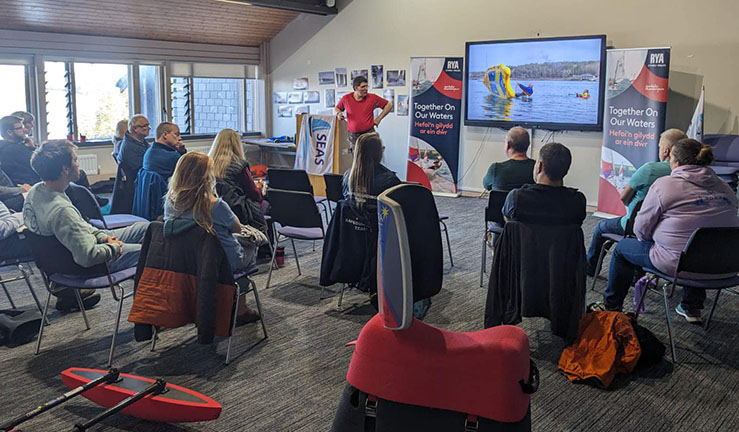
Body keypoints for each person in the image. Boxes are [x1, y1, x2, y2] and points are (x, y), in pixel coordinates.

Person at [598, 139, 739, 323]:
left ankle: (612, 307)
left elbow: (641, 230)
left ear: (677, 163)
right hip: (727, 266)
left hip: (680, 264)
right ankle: (691, 308)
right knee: (700, 245)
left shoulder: (665, 185)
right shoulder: (725, 187)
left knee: (623, 248)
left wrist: (657, 238)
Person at [23, 140, 149, 311]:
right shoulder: (61, 210)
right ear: (64, 169)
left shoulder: (37, 191)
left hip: (68, 254)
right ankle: (153, 311)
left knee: (145, 228)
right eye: (75, 160)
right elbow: (87, 256)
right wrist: (113, 247)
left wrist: (102, 236)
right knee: (154, 251)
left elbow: (81, 226)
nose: (78, 164)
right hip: (90, 264)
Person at [164, 152, 260, 323]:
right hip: (221, 263)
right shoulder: (215, 205)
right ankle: (241, 309)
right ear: (205, 177)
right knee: (250, 245)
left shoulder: (170, 202)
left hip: (187, 262)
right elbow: (236, 227)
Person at [586, 129, 687, 275]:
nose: (659, 149)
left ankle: (590, 269)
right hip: (666, 228)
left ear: (666, 151)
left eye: (659, 146)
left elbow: (624, 197)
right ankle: (637, 275)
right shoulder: (685, 174)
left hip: (636, 224)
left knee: (601, 228)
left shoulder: (650, 169)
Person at [502, 142, 586, 225]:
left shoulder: (517, 198)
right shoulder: (578, 201)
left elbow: (509, 224)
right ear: (566, 170)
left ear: (539, 166)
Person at [208, 129, 266, 229]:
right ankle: (267, 241)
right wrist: (260, 188)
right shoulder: (239, 164)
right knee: (266, 204)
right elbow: (253, 193)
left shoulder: (208, 163)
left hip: (213, 209)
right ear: (236, 144)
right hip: (238, 210)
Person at [132, 122, 185, 220]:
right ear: (165, 135)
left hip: (148, 207)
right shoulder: (172, 157)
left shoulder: (149, 152)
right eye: (176, 134)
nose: (180, 138)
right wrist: (182, 153)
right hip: (165, 205)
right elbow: (188, 173)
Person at [342, 132, 401, 208]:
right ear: (378, 152)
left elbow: (346, 202)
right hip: (376, 219)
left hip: (349, 219)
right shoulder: (390, 180)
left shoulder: (347, 176)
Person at [335, 76, 393, 150]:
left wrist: (379, 119)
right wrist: (339, 113)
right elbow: (337, 108)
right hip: (354, 136)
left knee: (372, 158)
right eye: (363, 87)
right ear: (356, 88)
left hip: (369, 133)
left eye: (366, 86)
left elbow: (389, 105)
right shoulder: (346, 98)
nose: (366, 89)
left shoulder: (372, 98)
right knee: (357, 159)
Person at [111, 115, 150, 214]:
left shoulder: (140, 142)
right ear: (135, 129)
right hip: (138, 184)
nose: (148, 128)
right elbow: (144, 169)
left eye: (148, 125)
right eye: (144, 126)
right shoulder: (129, 147)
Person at [482, 126, 535, 191]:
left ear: (508, 145)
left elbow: (486, 186)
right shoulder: (537, 169)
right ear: (528, 144)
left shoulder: (496, 169)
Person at [0, 115, 40, 186]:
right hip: (29, 189)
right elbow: (41, 164)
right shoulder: (15, 149)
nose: (24, 130)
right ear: (9, 132)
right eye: (20, 128)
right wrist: (33, 148)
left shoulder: (4, 147)